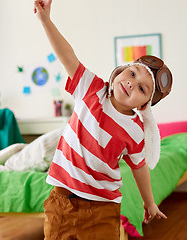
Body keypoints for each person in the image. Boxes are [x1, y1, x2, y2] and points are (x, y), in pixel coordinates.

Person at [34, 1, 172, 239]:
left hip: (103, 207)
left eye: (142, 88)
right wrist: (46, 21)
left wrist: (149, 203)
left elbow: (139, 168)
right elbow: (67, 55)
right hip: (62, 198)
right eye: (131, 73)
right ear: (120, 71)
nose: (131, 83)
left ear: (143, 105)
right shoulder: (90, 88)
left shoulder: (136, 131)